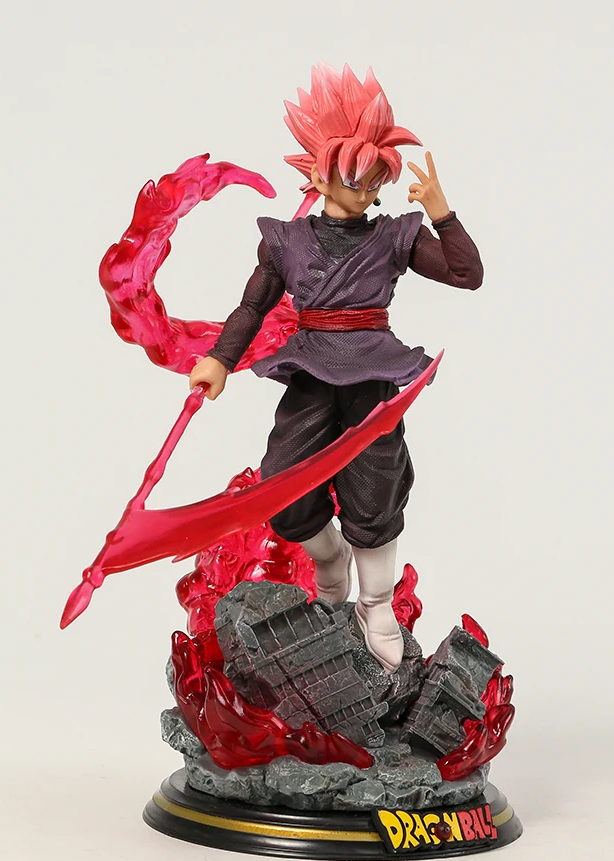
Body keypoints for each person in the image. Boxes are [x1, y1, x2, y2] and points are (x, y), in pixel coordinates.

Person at [188, 63, 483, 673]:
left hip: (372, 375)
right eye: (356, 178)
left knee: (375, 492)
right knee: (283, 488)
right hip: (311, 371)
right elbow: (252, 305)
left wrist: (442, 213)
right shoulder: (287, 242)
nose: (368, 191)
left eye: (377, 181)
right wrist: (219, 358)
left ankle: (376, 604)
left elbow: (466, 274)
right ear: (319, 173)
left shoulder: (394, 237)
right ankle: (330, 565)